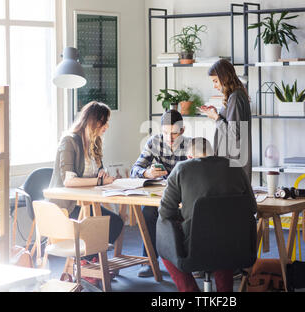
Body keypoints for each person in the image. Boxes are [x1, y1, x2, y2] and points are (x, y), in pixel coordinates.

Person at [158, 137, 257, 292]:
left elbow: (165, 212)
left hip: (195, 246)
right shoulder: (236, 167)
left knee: (163, 236)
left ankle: (190, 290)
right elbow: (251, 207)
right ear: (214, 154)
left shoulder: (181, 169)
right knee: (223, 232)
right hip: (237, 245)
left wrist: (186, 213)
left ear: (189, 157)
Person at [48, 101, 124, 284]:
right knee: (99, 226)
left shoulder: (95, 142)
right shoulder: (69, 141)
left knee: (115, 223)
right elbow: (69, 180)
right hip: (68, 206)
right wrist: (99, 180)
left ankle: (89, 262)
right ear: (92, 121)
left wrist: (103, 175)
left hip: (87, 204)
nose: (106, 126)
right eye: (103, 122)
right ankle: (87, 264)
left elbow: (98, 172)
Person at [131, 109, 190, 277]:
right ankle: (149, 260)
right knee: (147, 211)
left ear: (182, 131)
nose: (169, 138)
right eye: (165, 133)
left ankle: (187, 260)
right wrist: (147, 173)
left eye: (174, 133)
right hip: (160, 197)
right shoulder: (153, 142)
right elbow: (134, 169)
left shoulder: (191, 145)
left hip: (183, 198)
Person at [200, 59, 252, 182]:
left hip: (233, 163)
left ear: (224, 78)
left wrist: (216, 118)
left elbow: (234, 134)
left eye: (216, 81)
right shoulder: (234, 96)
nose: (215, 85)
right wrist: (217, 114)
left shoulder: (235, 97)